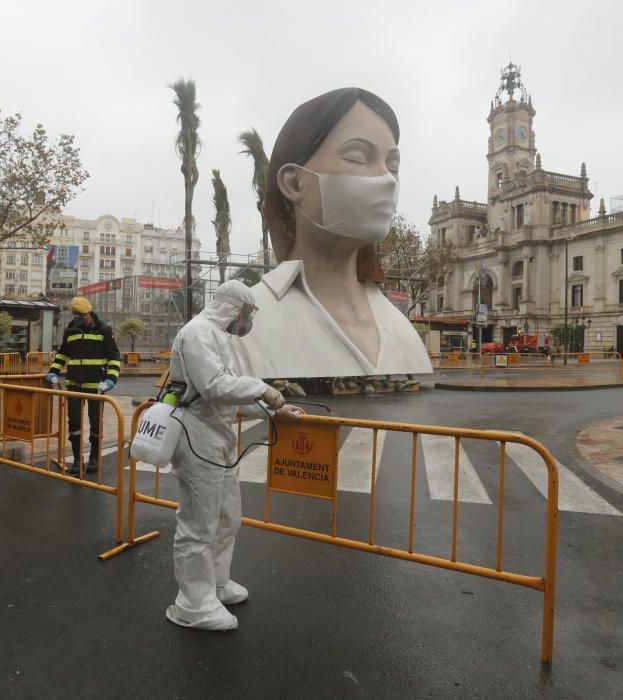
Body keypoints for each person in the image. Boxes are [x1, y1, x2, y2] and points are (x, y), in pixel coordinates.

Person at [230, 87, 433, 379]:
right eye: (358, 157)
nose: (388, 181)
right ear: (294, 183)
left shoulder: (403, 333)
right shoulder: (242, 328)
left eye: (393, 166)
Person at [166, 280, 304, 632]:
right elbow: (214, 386)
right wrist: (265, 388)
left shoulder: (217, 337)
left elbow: (227, 397)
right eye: (247, 313)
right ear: (233, 308)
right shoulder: (197, 333)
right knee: (199, 524)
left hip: (218, 440)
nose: (248, 321)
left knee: (228, 516)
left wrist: (275, 412)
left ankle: (216, 584)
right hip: (197, 439)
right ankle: (193, 604)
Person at [46, 296, 121, 474]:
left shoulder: (104, 329)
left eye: (82, 317)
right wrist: (53, 371)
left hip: (96, 386)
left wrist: (111, 380)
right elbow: (62, 355)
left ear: (89, 313)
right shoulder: (70, 330)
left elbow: (114, 357)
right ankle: (78, 459)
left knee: (95, 423)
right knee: (74, 423)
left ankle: (94, 457)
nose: (79, 321)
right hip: (74, 385)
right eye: (76, 317)